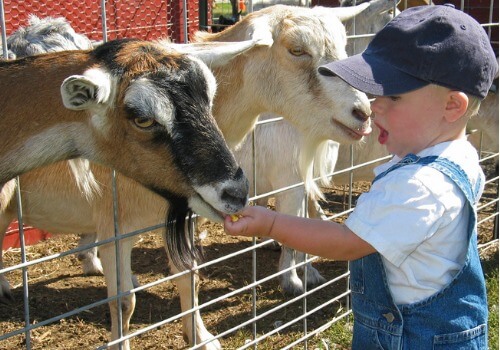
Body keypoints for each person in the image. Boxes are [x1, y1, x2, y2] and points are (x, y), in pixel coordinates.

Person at [224, 4, 498, 349]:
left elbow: (345, 243)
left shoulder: (417, 186)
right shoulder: (461, 157)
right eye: (376, 92)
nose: (373, 105)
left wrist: (271, 224)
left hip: (412, 339)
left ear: (452, 107)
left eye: (393, 96)